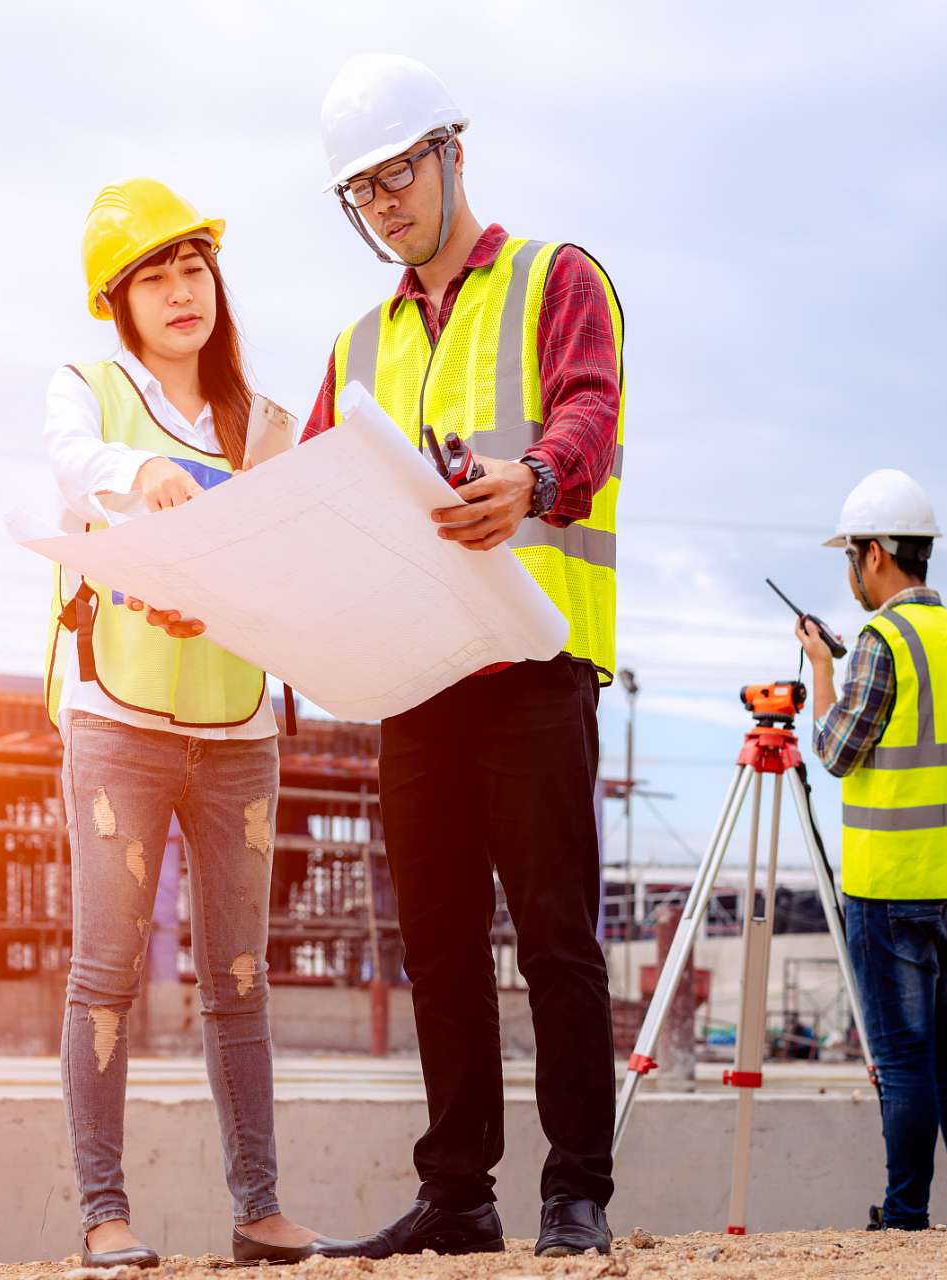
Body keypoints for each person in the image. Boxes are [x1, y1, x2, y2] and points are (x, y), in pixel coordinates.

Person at [300, 55, 625, 1259]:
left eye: (396, 175)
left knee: (554, 936)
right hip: (417, 679)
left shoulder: (556, 277)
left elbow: (589, 412)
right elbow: (318, 496)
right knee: (436, 942)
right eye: (360, 192)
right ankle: (458, 1193)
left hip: (530, 661)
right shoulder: (356, 342)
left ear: (449, 152)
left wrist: (533, 477)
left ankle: (575, 1191)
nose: (383, 204)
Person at [41, 176, 348, 1268]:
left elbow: (295, 559)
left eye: (194, 266)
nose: (182, 290)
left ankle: (259, 1209)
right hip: (118, 717)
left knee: (239, 975)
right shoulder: (88, 391)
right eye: (154, 275)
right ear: (116, 303)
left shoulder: (265, 424)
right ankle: (104, 1215)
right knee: (107, 968)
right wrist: (146, 471)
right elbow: (77, 467)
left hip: (238, 726)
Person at [792, 468, 947, 1231]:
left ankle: (908, 1215)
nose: (850, 572)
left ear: (877, 554)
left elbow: (835, 750)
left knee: (906, 1061)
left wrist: (823, 668)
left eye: (852, 555)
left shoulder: (883, 642)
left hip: (894, 893)